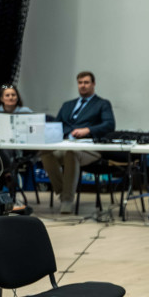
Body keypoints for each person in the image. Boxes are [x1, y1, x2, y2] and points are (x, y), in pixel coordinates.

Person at [39, 71, 115, 214]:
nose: (83, 85)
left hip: (89, 149)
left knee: (71, 153)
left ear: (93, 84)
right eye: (80, 83)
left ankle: (67, 200)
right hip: (66, 144)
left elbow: (109, 125)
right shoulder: (68, 105)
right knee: (45, 153)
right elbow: (56, 125)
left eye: (86, 82)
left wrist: (88, 130)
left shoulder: (102, 104)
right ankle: (62, 192)